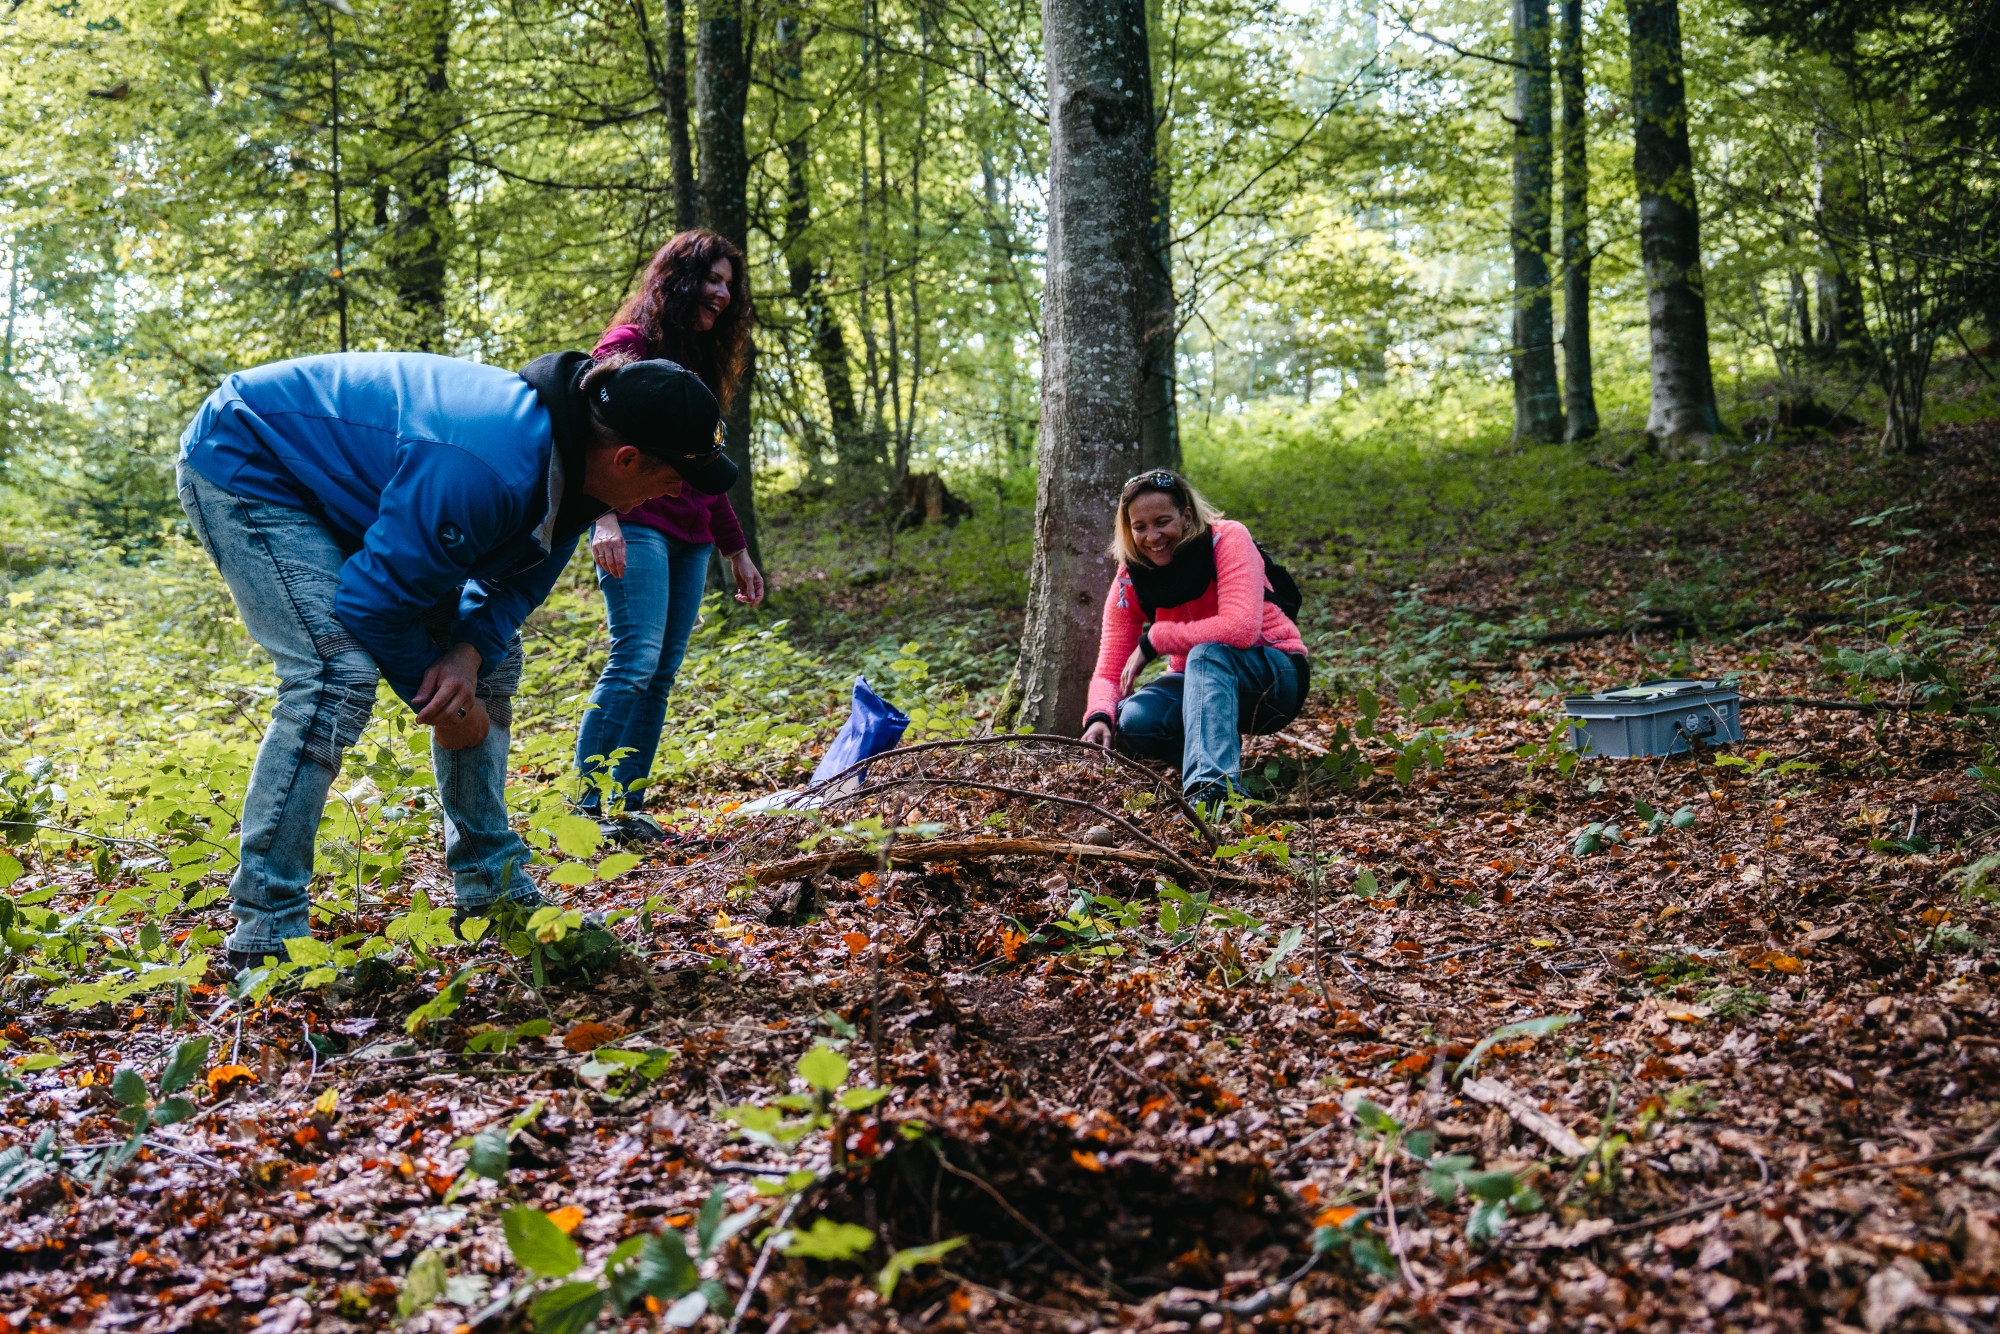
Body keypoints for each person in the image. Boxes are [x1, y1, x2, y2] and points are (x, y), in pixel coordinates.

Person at [177, 349, 731, 972]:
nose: (680, 493)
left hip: (349, 487)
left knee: (493, 654)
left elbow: (516, 586)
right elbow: (373, 603)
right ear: (626, 459)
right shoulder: (488, 467)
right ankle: (266, 934)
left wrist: (466, 657)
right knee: (336, 675)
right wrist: (445, 705)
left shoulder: (575, 468)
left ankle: (494, 889)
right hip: (252, 454)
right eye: (676, 478)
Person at [574, 229, 766, 840]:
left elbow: (704, 465)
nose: (721, 295)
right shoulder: (629, 345)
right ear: (678, 280)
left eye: (728, 285)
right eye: (711, 280)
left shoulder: (704, 365)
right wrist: (600, 516)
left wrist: (735, 548)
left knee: (659, 676)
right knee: (633, 663)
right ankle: (584, 814)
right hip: (636, 521)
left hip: (691, 535)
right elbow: (586, 431)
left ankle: (626, 811)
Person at [1079, 471, 1310, 814]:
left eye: (1162, 522)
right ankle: (1224, 769)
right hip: (1201, 687)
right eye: (1139, 526)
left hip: (1274, 676)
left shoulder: (1227, 538)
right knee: (1134, 717)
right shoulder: (1131, 577)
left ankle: (1213, 791)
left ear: (1186, 516)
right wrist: (1098, 716)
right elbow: (1111, 667)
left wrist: (1156, 638)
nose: (1152, 536)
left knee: (1206, 655)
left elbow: (1240, 628)